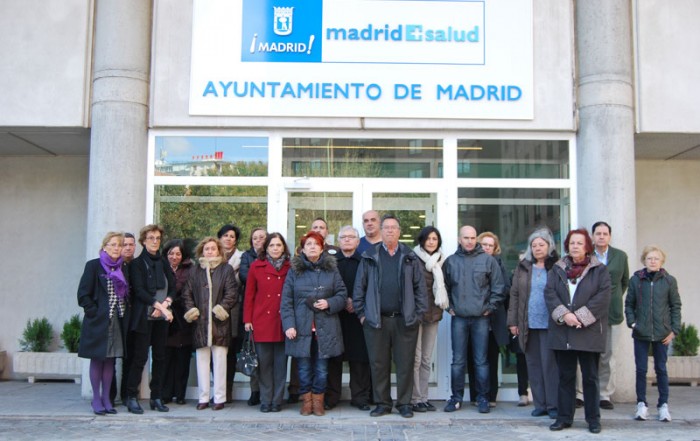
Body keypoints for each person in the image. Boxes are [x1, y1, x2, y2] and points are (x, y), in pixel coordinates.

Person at [353, 214, 428, 419]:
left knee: (405, 364)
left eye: (394, 228)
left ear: (399, 232)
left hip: (405, 321)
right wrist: (362, 315)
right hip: (376, 321)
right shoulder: (370, 256)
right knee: (379, 364)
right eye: (386, 228)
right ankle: (383, 403)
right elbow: (359, 289)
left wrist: (418, 316)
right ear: (381, 230)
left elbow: (420, 289)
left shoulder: (410, 257)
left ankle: (404, 404)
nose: (390, 231)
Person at [545, 228, 611, 434]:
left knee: (590, 377)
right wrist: (565, 315)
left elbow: (602, 298)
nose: (575, 246)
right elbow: (550, 293)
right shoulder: (557, 268)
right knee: (565, 376)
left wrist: (580, 318)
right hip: (563, 330)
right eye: (572, 243)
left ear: (587, 247)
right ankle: (564, 418)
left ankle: (593, 419)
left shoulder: (599, 270)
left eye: (579, 243)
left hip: (588, 331)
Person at [281, 231, 347, 416]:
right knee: (302, 369)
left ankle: (318, 401)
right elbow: (286, 301)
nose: (311, 247)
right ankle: (306, 402)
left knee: (322, 369)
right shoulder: (294, 271)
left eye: (315, 244)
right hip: (301, 327)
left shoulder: (332, 269)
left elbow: (342, 295)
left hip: (325, 328)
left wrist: (329, 303)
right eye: (308, 244)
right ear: (302, 248)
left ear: (322, 247)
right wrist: (289, 325)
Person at [443, 225, 505, 414]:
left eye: (472, 238)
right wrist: (448, 307)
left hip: (481, 319)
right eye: (466, 238)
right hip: (459, 318)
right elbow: (442, 288)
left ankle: (483, 398)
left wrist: (490, 308)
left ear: (476, 239)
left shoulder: (487, 261)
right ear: (459, 239)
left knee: (481, 361)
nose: (469, 241)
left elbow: (498, 287)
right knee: (458, 361)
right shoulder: (451, 262)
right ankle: (456, 398)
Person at [576, 221, 629, 410]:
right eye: (598, 233)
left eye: (605, 233)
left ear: (610, 236)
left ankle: (604, 394)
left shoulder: (620, 256)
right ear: (592, 236)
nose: (601, 236)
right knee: (585, 353)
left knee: (608, 355)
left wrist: (610, 298)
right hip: (588, 312)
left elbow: (624, 282)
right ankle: (580, 394)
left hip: (612, 313)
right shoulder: (585, 256)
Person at [181, 236, 238, 410]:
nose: (210, 251)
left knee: (220, 361)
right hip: (200, 323)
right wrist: (192, 310)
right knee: (202, 361)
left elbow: (232, 293)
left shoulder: (226, 269)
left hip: (219, 323)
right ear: (202, 251)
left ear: (219, 250)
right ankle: (203, 397)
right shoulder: (195, 271)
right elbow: (187, 293)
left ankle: (219, 398)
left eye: (213, 248)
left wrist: (221, 309)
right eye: (207, 249)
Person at [625, 245, 681, 422]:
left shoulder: (669, 280)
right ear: (644, 261)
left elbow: (675, 306)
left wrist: (674, 330)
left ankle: (663, 405)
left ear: (661, 261)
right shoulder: (636, 280)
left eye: (656, 258)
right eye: (649, 258)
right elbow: (629, 305)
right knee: (641, 370)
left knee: (661, 369)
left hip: (662, 333)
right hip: (641, 332)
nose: (653, 261)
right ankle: (641, 404)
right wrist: (633, 324)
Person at [508, 228, 560, 419]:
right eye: (534, 245)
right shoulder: (524, 266)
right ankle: (540, 404)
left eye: (541, 244)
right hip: (527, 323)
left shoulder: (558, 266)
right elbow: (514, 294)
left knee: (550, 366)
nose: (537, 248)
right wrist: (513, 321)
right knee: (534, 365)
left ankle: (553, 404)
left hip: (551, 324)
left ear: (549, 246)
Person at [124, 224, 175, 414]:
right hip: (144, 317)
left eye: (157, 238)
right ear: (143, 241)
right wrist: (159, 306)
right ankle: (131, 396)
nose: (155, 241)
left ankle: (156, 397)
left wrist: (166, 304)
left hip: (161, 318)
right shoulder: (137, 264)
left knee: (161, 358)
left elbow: (173, 286)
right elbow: (139, 291)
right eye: (151, 238)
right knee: (140, 358)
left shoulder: (163, 262)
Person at [77, 232, 129, 415]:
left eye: (119, 245)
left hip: (117, 319)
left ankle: (107, 398)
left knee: (110, 360)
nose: (117, 248)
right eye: (113, 244)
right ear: (105, 246)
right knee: (97, 359)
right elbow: (83, 294)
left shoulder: (123, 267)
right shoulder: (93, 266)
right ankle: (96, 399)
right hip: (98, 320)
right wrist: (93, 311)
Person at [244, 232, 291, 413]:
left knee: (280, 364)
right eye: (272, 245)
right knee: (264, 365)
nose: (275, 249)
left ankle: (277, 400)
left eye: (278, 245)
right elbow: (249, 295)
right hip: (262, 320)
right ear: (266, 248)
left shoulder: (290, 267)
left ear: (283, 248)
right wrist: (247, 319)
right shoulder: (257, 266)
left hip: (283, 322)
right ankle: (265, 400)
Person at [328, 226, 373, 411]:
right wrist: (340, 301)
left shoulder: (366, 262)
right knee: (333, 358)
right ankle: (331, 397)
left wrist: (356, 302)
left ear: (357, 241)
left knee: (359, 359)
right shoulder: (330, 263)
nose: (347, 240)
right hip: (334, 317)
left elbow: (371, 287)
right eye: (343, 237)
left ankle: (360, 397)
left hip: (358, 316)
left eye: (351, 237)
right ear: (339, 241)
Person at [467, 231, 510, 408]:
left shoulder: (499, 265)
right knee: (472, 357)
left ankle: (491, 395)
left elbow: (505, 289)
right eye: (483, 244)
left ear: (495, 248)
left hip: (492, 318)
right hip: (472, 317)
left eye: (490, 245)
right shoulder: (470, 263)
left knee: (491, 357)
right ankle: (475, 395)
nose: (486, 247)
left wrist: (489, 306)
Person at [411, 226, 449, 413]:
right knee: (416, 359)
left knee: (426, 358)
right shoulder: (413, 258)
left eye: (435, 238)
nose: (431, 242)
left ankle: (424, 398)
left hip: (433, 315)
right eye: (428, 239)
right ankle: (415, 398)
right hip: (417, 315)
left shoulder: (442, 261)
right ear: (422, 240)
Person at [161, 239, 194, 405]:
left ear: (183, 255)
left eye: (178, 254)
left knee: (182, 359)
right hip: (165, 317)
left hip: (184, 318)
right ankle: (166, 393)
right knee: (167, 358)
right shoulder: (160, 268)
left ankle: (180, 394)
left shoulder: (190, 270)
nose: (174, 257)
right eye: (171, 253)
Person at [238, 226, 267, 406]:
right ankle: (255, 391)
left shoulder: (274, 257)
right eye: (255, 238)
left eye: (261, 237)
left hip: (269, 309)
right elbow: (244, 276)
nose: (258, 241)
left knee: (267, 356)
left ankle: (267, 391)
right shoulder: (246, 257)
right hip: (253, 309)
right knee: (254, 354)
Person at [217, 224, 245, 404]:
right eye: (225, 235)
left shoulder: (241, 258)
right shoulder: (211, 255)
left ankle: (227, 389)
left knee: (231, 351)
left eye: (232, 236)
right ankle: (216, 388)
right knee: (216, 349)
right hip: (214, 309)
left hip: (234, 309)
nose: (228, 239)